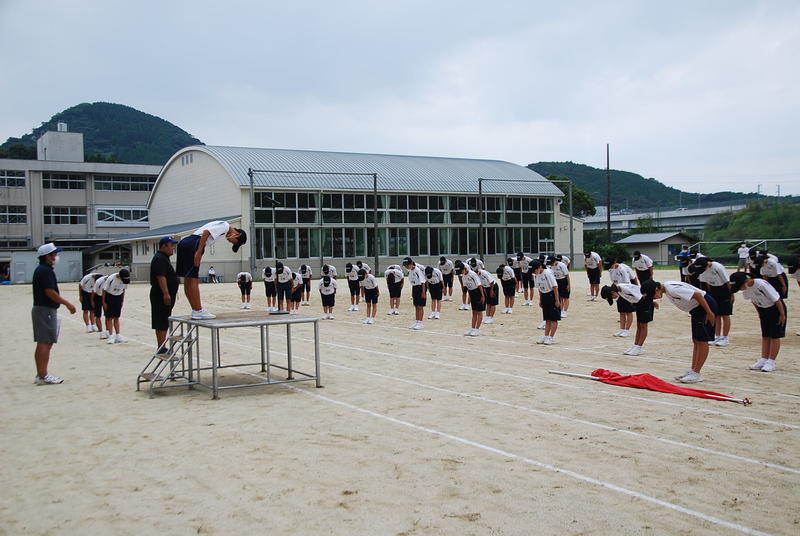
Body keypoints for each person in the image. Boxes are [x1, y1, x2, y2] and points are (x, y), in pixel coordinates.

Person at [645, 280, 717, 383]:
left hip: (704, 306)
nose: (654, 298)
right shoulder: (667, 289)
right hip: (696, 308)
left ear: (657, 290)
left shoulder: (673, 290)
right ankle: (693, 370)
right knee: (696, 340)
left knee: (702, 340)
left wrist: (709, 312)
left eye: (652, 296)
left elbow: (698, 295)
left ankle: (696, 373)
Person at [175, 220, 246, 319]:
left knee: (188, 279)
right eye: (234, 242)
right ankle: (198, 310)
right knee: (193, 279)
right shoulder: (225, 226)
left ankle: (195, 310)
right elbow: (206, 232)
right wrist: (199, 252)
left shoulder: (222, 225)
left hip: (185, 242)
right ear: (237, 234)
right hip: (194, 243)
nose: (230, 242)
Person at [31, 243, 76, 385]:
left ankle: (41, 374)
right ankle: (42, 376)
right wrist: (67, 304)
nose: (56, 257)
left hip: (43, 309)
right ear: (47, 256)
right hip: (45, 310)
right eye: (54, 254)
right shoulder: (45, 271)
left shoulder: (43, 270)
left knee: (45, 342)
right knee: (45, 342)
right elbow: (49, 291)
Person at [729, 272, 786, 372]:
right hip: (763, 309)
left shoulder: (761, 284)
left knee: (775, 335)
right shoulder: (746, 289)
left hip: (775, 309)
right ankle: (764, 359)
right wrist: (760, 312)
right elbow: (753, 300)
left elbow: (776, 299)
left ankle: (771, 361)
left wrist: (782, 314)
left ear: (745, 281)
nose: (740, 289)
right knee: (765, 335)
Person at [600, 280, 658, 356]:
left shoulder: (624, 289)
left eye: (612, 297)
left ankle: (639, 347)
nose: (613, 298)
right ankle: (636, 345)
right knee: (639, 326)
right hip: (639, 303)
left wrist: (653, 302)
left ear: (613, 292)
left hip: (646, 302)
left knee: (643, 326)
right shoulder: (619, 290)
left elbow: (641, 295)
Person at [692, 257, 734, 347]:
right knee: (716, 314)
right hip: (713, 290)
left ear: (707, 264)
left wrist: (731, 294)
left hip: (724, 290)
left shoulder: (718, 267)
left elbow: (727, 282)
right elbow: (706, 283)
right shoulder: (702, 270)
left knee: (725, 314)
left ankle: (725, 338)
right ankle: (717, 336)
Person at [150, 236, 180, 352]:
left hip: (163, 293)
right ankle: (161, 346)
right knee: (161, 319)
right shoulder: (160, 258)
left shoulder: (164, 258)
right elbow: (161, 277)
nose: (173, 248)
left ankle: (161, 345)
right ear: (164, 246)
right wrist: (166, 294)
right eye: (171, 245)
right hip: (160, 294)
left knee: (162, 319)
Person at [607, 257, 638, 337]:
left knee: (628, 311)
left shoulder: (622, 269)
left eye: (611, 265)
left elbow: (627, 283)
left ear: (615, 262)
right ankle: (622, 329)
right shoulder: (610, 270)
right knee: (621, 311)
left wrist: (631, 293)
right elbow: (614, 282)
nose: (610, 267)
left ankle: (627, 330)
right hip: (619, 291)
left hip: (626, 291)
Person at [532, 259, 560, 344]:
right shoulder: (536, 275)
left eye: (535, 270)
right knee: (547, 318)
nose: (534, 272)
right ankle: (546, 336)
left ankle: (551, 337)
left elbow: (555, 287)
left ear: (540, 267)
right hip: (544, 296)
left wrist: (557, 300)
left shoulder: (547, 273)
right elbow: (539, 288)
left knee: (553, 318)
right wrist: (541, 299)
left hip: (551, 295)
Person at [455, 260, 484, 336]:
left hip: (478, 292)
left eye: (461, 271)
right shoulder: (463, 276)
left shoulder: (472, 274)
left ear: (465, 269)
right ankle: (472, 328)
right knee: (474, 312)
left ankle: (477, 329)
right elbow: (466, 288)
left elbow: (479, 285)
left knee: (479, 311)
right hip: (472, 293)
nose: (461, 273)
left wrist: (482, 296)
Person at [102, 268, 131, 344]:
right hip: (110, 297)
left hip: (118, 297)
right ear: (119, 276)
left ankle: (118, 335)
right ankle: (111, 335)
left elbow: (124, 290)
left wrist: (122, 301)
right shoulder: (111, 279)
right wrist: (104, 302)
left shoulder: (125, 280)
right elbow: (104, 290)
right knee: (109, 317)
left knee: (116, 317)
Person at [402, 257, 426, 330]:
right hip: (415, 288)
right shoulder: (410, 271)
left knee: (420, 306)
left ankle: (420, 323)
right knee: (416, 306)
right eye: (405, 265)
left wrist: (423, 292)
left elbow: (423, 282)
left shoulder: (417, 270)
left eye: (407, 265)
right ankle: (417, 321)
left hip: (420, 288)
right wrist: (413, 293)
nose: (406, 267)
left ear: (411, 264)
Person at [93, 274, 109, 338]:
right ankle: (101, 332)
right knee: (98, 315)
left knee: (108, 315)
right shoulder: (98, 281)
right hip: (98, 297)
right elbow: (93, 292)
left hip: (107, 297)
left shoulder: (110, 281)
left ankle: (108, 331)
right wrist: (92, 301)